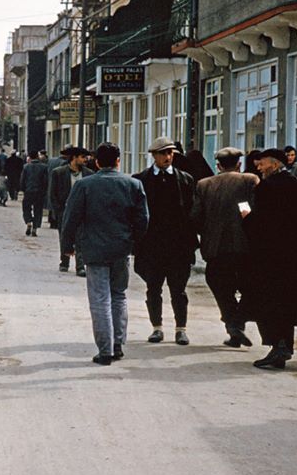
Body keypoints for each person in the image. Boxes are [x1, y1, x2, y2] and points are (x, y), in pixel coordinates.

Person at [61, 143, 149, 366]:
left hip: (94, 249)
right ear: (118, 160)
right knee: (119, 295)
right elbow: (143, 220)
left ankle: (105, 350)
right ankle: (118, 344)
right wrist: (134, 243)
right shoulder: (133, 184)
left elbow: (70, 218)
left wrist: (67, 245)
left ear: (96, 162)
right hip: (121, 249)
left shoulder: (84, 186)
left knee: (100, 299)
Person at [241, 148, 297, 370]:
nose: (259, 168)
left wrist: (246, 217)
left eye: (261, 164)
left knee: (270, 302)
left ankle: (278, 346)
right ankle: (284, 347)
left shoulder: (267, 188)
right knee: (288, 301)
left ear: (273, 164)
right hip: (296, 257)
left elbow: (262, 224)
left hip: (270, 257)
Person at [191, 147, 260, 348]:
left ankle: (233, 324)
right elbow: (252, 210)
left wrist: (209, 229)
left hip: (215, 249)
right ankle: (236, 323)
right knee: (249, 287)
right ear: (239, 164)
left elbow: (196, 217)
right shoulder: (250, 180)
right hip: (245, 246)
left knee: (221, 289)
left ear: (218, 165)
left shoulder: (204, 185)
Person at [132, 137, 198, 346]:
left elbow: (192, 212)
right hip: (152, 246)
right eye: (163, 153)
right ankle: (157, 328)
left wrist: (191, 241)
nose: (168, 157)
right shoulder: (140, 180)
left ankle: (181, 329)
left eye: (170, 153)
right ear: (154, 156)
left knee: (178, 290)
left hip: (178, 246)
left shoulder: (185, 179)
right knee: (153, 288)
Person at [48, 147, 93, 275]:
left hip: (82, 212)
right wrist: (58, 211)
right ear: (74, 158)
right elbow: (52, 194)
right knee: (65, 236)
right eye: (82, 157)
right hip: (65, 210)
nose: (85, 160)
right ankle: (64, 262)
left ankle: (80, 266)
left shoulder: (88, 174)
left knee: (81, 238)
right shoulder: (58, 173)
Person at [20, 150, 48, 237]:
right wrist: (44, 190)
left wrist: (23, 189)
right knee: (38, 210)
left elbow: (22, 180)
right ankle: (35, 228)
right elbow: (46, 180)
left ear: (30, 157)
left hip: (29, 191)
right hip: (39, 192)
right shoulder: (44, 167)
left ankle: (28, 221)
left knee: (26, 207)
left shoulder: (26, 167)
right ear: (37, 156)